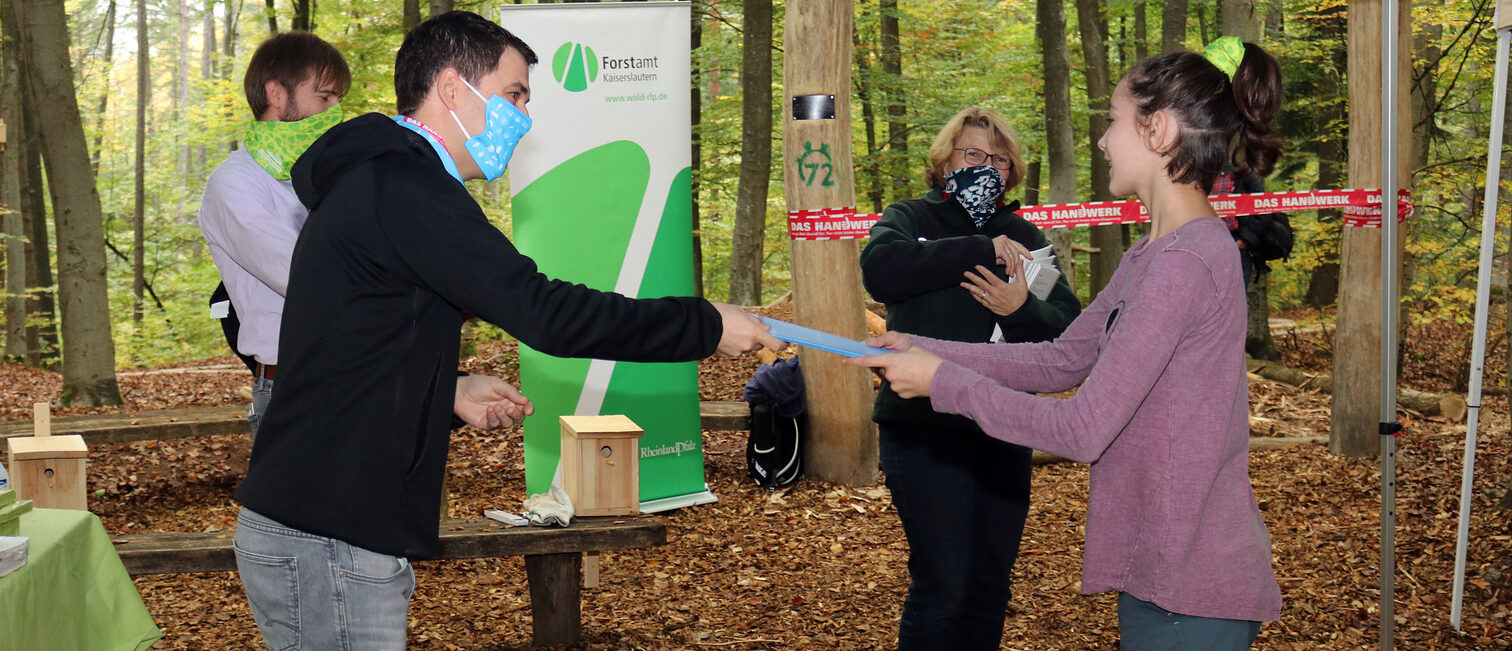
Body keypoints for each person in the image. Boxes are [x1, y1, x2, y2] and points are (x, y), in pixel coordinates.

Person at [230, 12, 782, 649]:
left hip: (331, 522)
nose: (523, 116)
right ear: (452, 89)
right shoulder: (403, 184)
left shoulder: (384, 180)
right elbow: (543, 311)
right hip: (327, 530)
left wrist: (451, 390)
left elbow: (354, 343)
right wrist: (704, 324)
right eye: (514, 94)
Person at [850, 36, 1285, 650]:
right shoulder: (1152, 254)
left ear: (1158, 131)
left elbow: (1082, 428)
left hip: (1190, 581)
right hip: (1163, 564)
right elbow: (1063, 358)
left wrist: (943, 381)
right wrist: (921, 349)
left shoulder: (1184, 262)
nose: (1104, 141)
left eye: (1113, 122)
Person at [859, 106, 1080, 649]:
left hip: (1005, 429)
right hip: (923, 430)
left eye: (998, 159)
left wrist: (1018, 307)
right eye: (973, 154)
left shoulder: (1026, 234)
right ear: (945, 160)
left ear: (1012, 172)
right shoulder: (910, 218)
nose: (985, 167)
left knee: (988, 584)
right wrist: (981, 249)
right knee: (943, 585)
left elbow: (1069, 333)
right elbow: (880, 268)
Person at [197, 32, 350, 435]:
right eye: (325, 97)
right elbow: (305, 274)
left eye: (338, 99)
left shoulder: (329, 175)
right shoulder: (235, 183)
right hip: (297, 388)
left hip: (361, 374)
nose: (336, 111)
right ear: (276, 95)